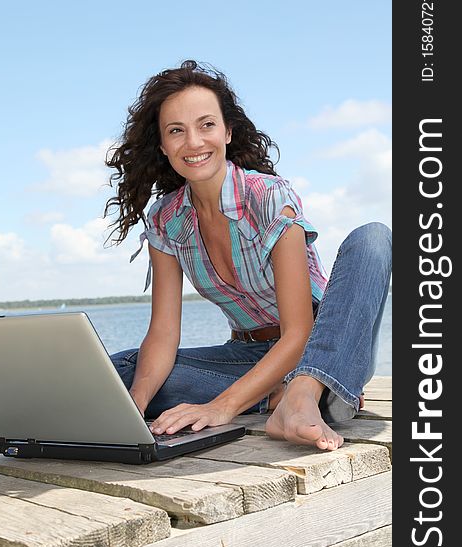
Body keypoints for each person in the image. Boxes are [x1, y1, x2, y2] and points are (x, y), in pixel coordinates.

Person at [104, 60, 392, 451]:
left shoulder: (269, 196)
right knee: (122, 373)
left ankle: (306, 391)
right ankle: (284, 397)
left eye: (206, 125)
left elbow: (299, 331)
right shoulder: (166, 220)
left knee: (373, 238)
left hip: (324, 343)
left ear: (227, 131)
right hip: (247, 355)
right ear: (162, 145)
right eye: (176, 131)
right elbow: (163, 333)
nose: (193, 142)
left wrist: (222, 407)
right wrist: (132, 409)